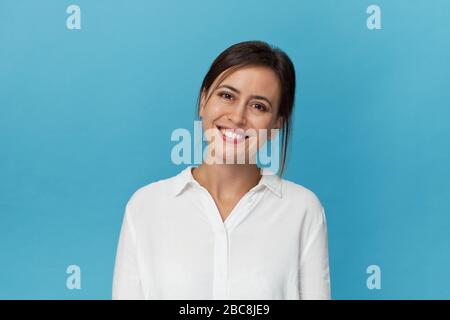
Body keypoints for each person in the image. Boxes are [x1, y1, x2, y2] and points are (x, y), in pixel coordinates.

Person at [112, 40, 331, 299]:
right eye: (227, 96)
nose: (238, 117)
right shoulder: (145, 206)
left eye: (258, 106)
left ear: (276, 124)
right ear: (203, 100)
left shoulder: (302, 209)